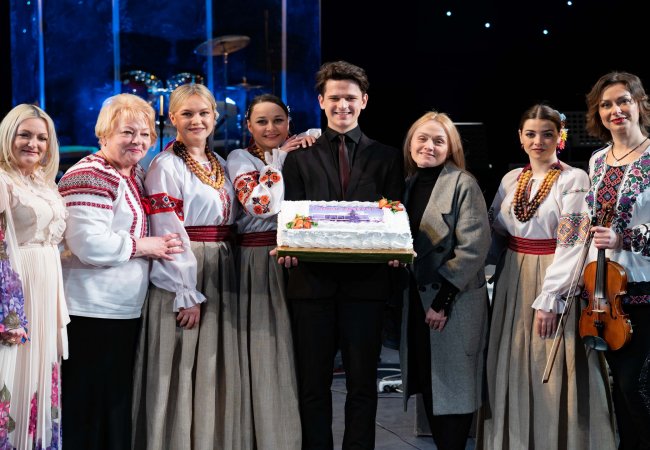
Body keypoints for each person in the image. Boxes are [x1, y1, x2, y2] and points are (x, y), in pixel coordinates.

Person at [280, 60, 404, 449]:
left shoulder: (388, 156)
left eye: (350, 98)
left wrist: (396, 247)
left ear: (364, 101)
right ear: (321, 101)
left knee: (362, 386)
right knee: (313, 385)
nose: (342, 105)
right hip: (311, 286)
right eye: (334, 98)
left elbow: (394, 215)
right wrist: (289, 247)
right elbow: (292, 216)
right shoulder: (298, 157)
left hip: (366, 288)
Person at [478, 104, 616, 449]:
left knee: (550, 361)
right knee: (512, 358)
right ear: (520, 137)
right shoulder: (511, 179)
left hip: (552, 275)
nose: (538, 141)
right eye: (531, 134)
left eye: (547, 134)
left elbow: (572, 243)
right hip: (512, 275)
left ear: (560, 137)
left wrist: (551, 298)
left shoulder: (573, 180)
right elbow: (495, 231)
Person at [58, 93, 182, 450]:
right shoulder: (89, 173)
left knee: (112, 403)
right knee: (87, 406)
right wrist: (145, 245)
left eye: (144, 134)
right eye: (127, 132)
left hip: (121, 309)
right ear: (104, 134)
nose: (137, 141)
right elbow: (89, 244)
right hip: (90, 309)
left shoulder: (134, 173)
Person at [133, 83, 240, 449]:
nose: (197, 120)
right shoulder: (166, 166)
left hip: (221, 266)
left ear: (215, 116)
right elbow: (168, 232)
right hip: (188, 269)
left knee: (212, 366)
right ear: (173, 118)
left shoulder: (219, 163)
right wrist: (185, 291)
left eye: (203, 113)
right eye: (187, 114)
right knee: (181, 365)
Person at [225, 93, 319, 449]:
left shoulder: (301, 148)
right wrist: (279, 160)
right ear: (248, 125)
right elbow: (260, 205)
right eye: (261, 121)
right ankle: (267, 434)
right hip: (259, 258)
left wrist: (311, 137)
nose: (270, 128)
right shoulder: (241, 158)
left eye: (278, 120)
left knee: (301, 349)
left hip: (301, 257)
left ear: (289, 122)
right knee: (267, 347)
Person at [397, 111, 490, 450]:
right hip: (418, 303)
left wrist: (442, 302)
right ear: (410, 143)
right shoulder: (407, 184)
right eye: (422, 138)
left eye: (439, 140)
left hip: (451, 303)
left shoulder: (463, 183)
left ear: (450, 147)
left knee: (453, 395)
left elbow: (474, 248)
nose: (429, 146)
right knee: (431, 387)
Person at [584, 71, 650, 449]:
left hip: (646, 288)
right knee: (620, 393)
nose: (616, 110)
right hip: (607, 294)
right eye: (606, 104)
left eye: (624, 100)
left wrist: (625, 238)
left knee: (636, 387)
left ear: (639, 104)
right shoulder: (597, 161)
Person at [0, 104, 69, 450]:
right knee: (10, 375)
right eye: (24, 135)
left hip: (45, 288)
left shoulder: (43, 181)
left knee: (40, 377)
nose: (34, 143)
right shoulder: (1, 180)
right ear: (7, 136)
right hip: (17, 291)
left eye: (42, 137)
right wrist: (8, 313)